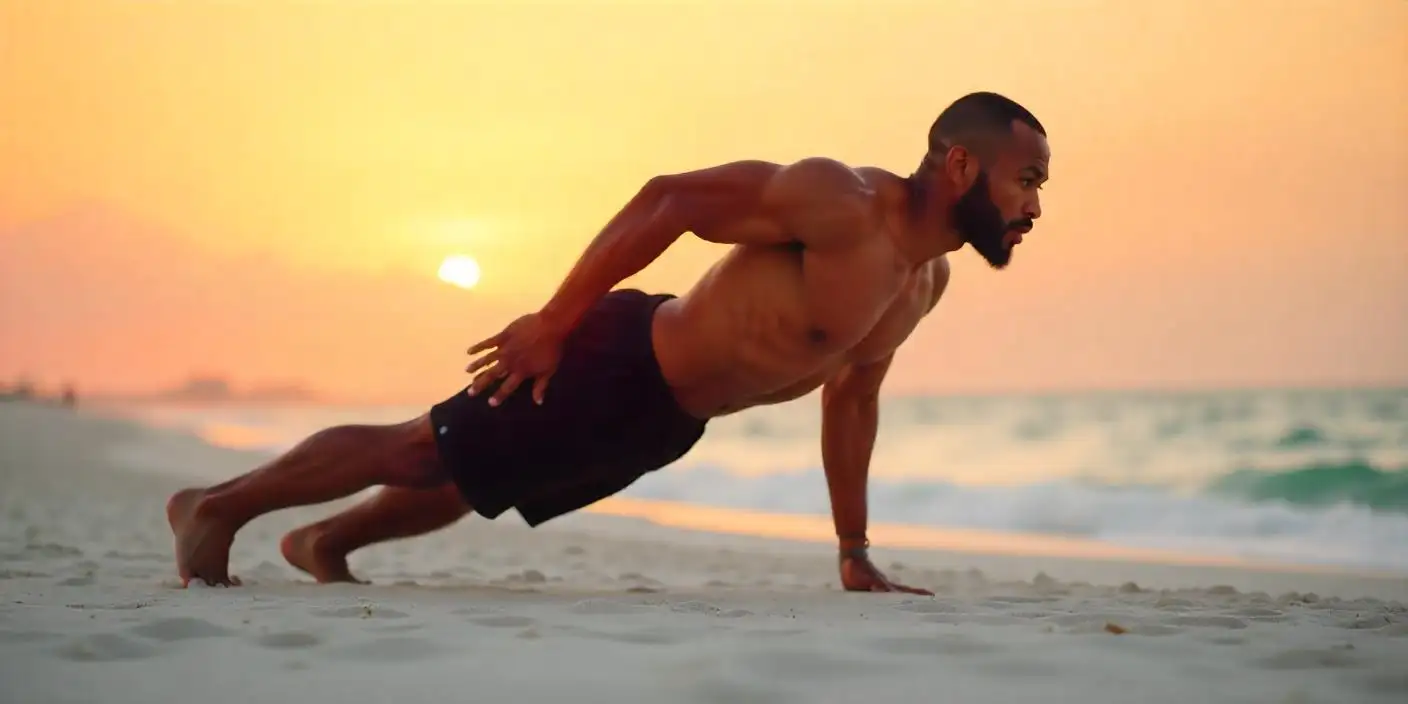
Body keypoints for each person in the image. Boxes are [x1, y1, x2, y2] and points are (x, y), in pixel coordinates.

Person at [166, 91, 1049, 593]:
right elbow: (671, 198)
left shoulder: (922, 283)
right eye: (1026, 180)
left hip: (666, 422)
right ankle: (217, 508)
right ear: (960, 165)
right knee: (423, 450)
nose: (1035, 207)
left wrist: (853, 553)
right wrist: (554, 324)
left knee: (477, 482)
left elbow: (852, 398)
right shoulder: (839, 203)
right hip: (621, 355)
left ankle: (324, 544)